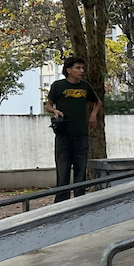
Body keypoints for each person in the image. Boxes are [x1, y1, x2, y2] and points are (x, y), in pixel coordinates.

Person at [45, 56, 102, 203]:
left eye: (83, 68)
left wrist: (93, 115)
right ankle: (61, 204)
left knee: (80, 171)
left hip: (81, 135)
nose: (81, 71)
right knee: (63, 172)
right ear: (69, 70)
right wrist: (55, 111)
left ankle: (79, 203)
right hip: (63, 135)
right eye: (78, 68)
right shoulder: (58, 86)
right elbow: (48, 105)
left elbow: (97, 102)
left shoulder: (85, 86)